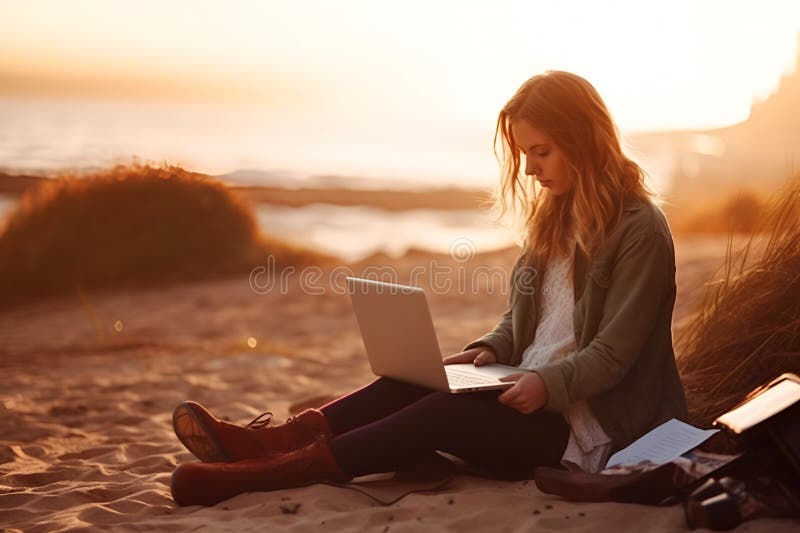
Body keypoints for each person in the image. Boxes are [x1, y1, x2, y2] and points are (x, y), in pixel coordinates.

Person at [169, 70, 689, 507]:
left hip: (586, 428)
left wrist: (546, 385)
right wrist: (489, 350)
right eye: (525, 154)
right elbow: (525, 321)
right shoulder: (556, 216)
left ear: (584, 139)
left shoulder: (641, 229)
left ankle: (277, 470)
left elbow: (614, 354)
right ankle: (272, 442)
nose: (529, 169)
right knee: (419, 381)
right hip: (528, 394)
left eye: (542, 152)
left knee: (443, 412)